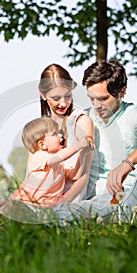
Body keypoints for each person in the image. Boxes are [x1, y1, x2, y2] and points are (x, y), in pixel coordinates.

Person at [53, 59, 137, 223]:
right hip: (92, 199)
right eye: (92, 99)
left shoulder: (132, 115)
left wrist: (127, 163)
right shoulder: (84, 118)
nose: (97, 106)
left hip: (125, 196)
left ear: (121, 92)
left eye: (103, 99)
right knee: (62, 211)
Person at [0, 117, 94, 222]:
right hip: (27, 202)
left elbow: (75, 175)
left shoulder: (60, 165)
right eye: (55, 134)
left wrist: (83, 153)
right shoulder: (39, 156)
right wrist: (77, 146)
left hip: (44, 208)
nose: (61, 136)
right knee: (9, 210)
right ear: (42, 144)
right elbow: (59, 157)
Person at [38, 63, 94, 201]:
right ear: (43, 95)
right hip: (42, 197)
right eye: (56, 98)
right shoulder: (41, 126)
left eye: (67, 96)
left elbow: (83, 176)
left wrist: (60, 204)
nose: (63, 103)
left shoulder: (80, 121)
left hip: (69, 200)